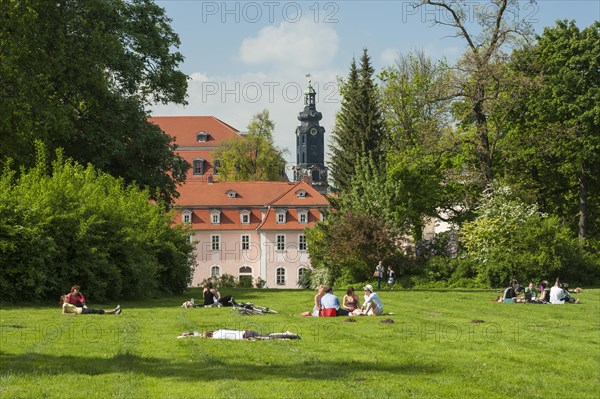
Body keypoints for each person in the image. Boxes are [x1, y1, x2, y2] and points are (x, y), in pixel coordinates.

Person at [179, 329, 300, 340]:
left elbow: (200, 335)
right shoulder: (217, 331)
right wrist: (187, 334)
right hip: (247, 332)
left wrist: (187, 335)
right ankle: (286, 334)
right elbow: (199, 334)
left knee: (268, 337)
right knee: (268, 335)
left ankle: (290, 335)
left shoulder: (216, 337)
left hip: (247, 336)